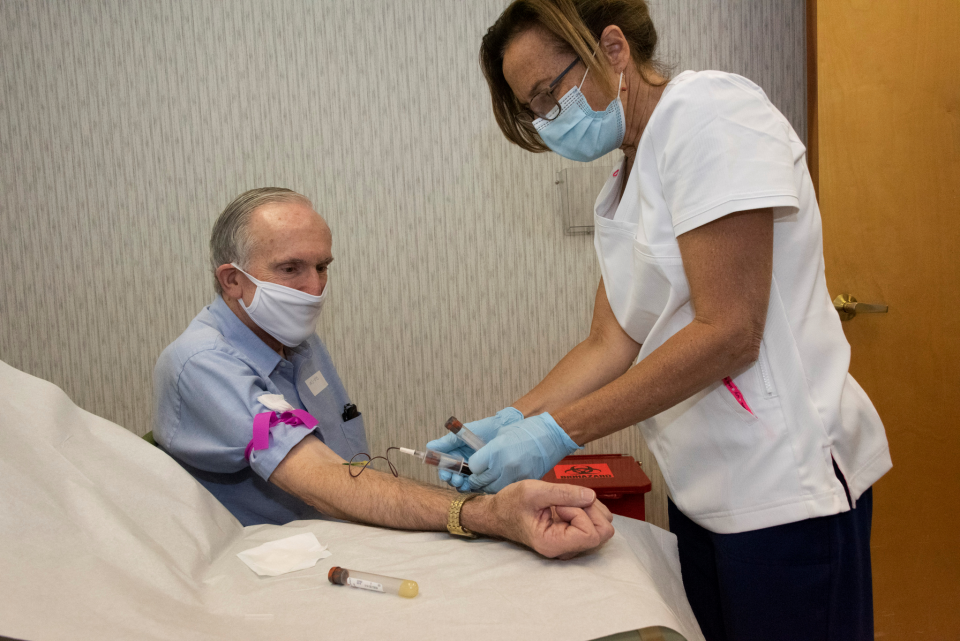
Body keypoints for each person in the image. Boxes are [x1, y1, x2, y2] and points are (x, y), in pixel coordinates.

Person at [427, 1, 891, 638]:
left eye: (547, 94)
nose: (546, 120)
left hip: (786, 489)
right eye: (533, 110)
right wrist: (510, 422)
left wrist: (555, 434)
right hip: (706, 492)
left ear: (612, 50)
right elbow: (609, 341)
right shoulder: (623, 180)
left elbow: (729, 332)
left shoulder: (710, 113)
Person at [153, 187, 613, 560]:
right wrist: (483, 513)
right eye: (291, 269)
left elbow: (346, 462)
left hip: (344, 541)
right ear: (232, 280)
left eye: (322, 267)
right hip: (271, 568)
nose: (314, 289)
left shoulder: (293, 337)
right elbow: (324, 479)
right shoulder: (204, 365)